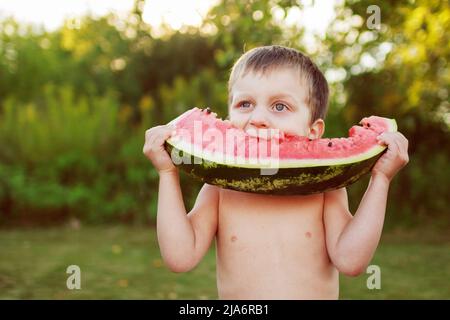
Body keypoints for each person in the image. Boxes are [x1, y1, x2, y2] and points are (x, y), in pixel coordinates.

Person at [143, 45, 409, 299]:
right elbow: (180, 257)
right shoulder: (220, 189)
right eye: (245, 104)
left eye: (280, 106)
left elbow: (351, 262)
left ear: (313, 131)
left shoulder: (325, 189)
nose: (258, 117)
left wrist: (381, 179)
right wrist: (168, 173)